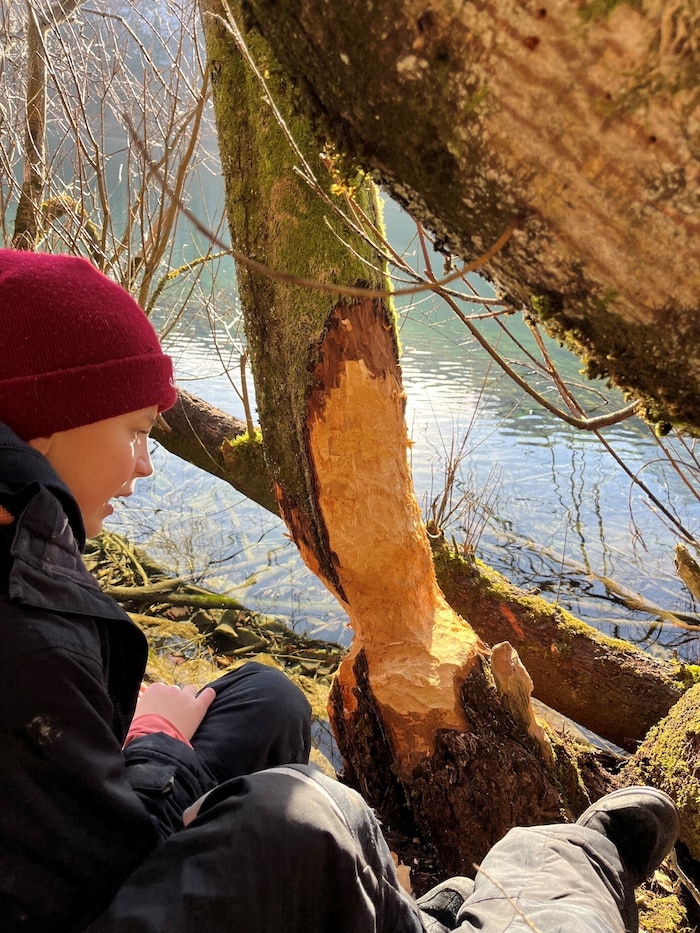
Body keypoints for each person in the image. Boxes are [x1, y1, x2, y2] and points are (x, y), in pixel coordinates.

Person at [0, 248, 680, 933]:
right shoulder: (26, 631)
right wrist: (155, 744)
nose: (146, 464)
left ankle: (383, 899)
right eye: (136, 432)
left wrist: (130, 741)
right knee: (305, 823)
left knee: (263, 699)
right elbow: (107, 864)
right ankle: (552, 876)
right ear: (49, 417)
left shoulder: (24, 539)